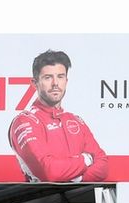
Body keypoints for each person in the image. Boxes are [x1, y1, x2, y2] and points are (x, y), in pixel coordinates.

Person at [8, 49, 109, 183]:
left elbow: (103, 167)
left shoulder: (76, 121)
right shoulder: (25, 121)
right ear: (35, 83)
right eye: (48, 77)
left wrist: (78, 178)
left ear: (66, 81)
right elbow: (49, 172)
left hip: (79, 201)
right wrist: (86, 159)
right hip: (44, 201)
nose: (55, 83)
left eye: (60, 76)